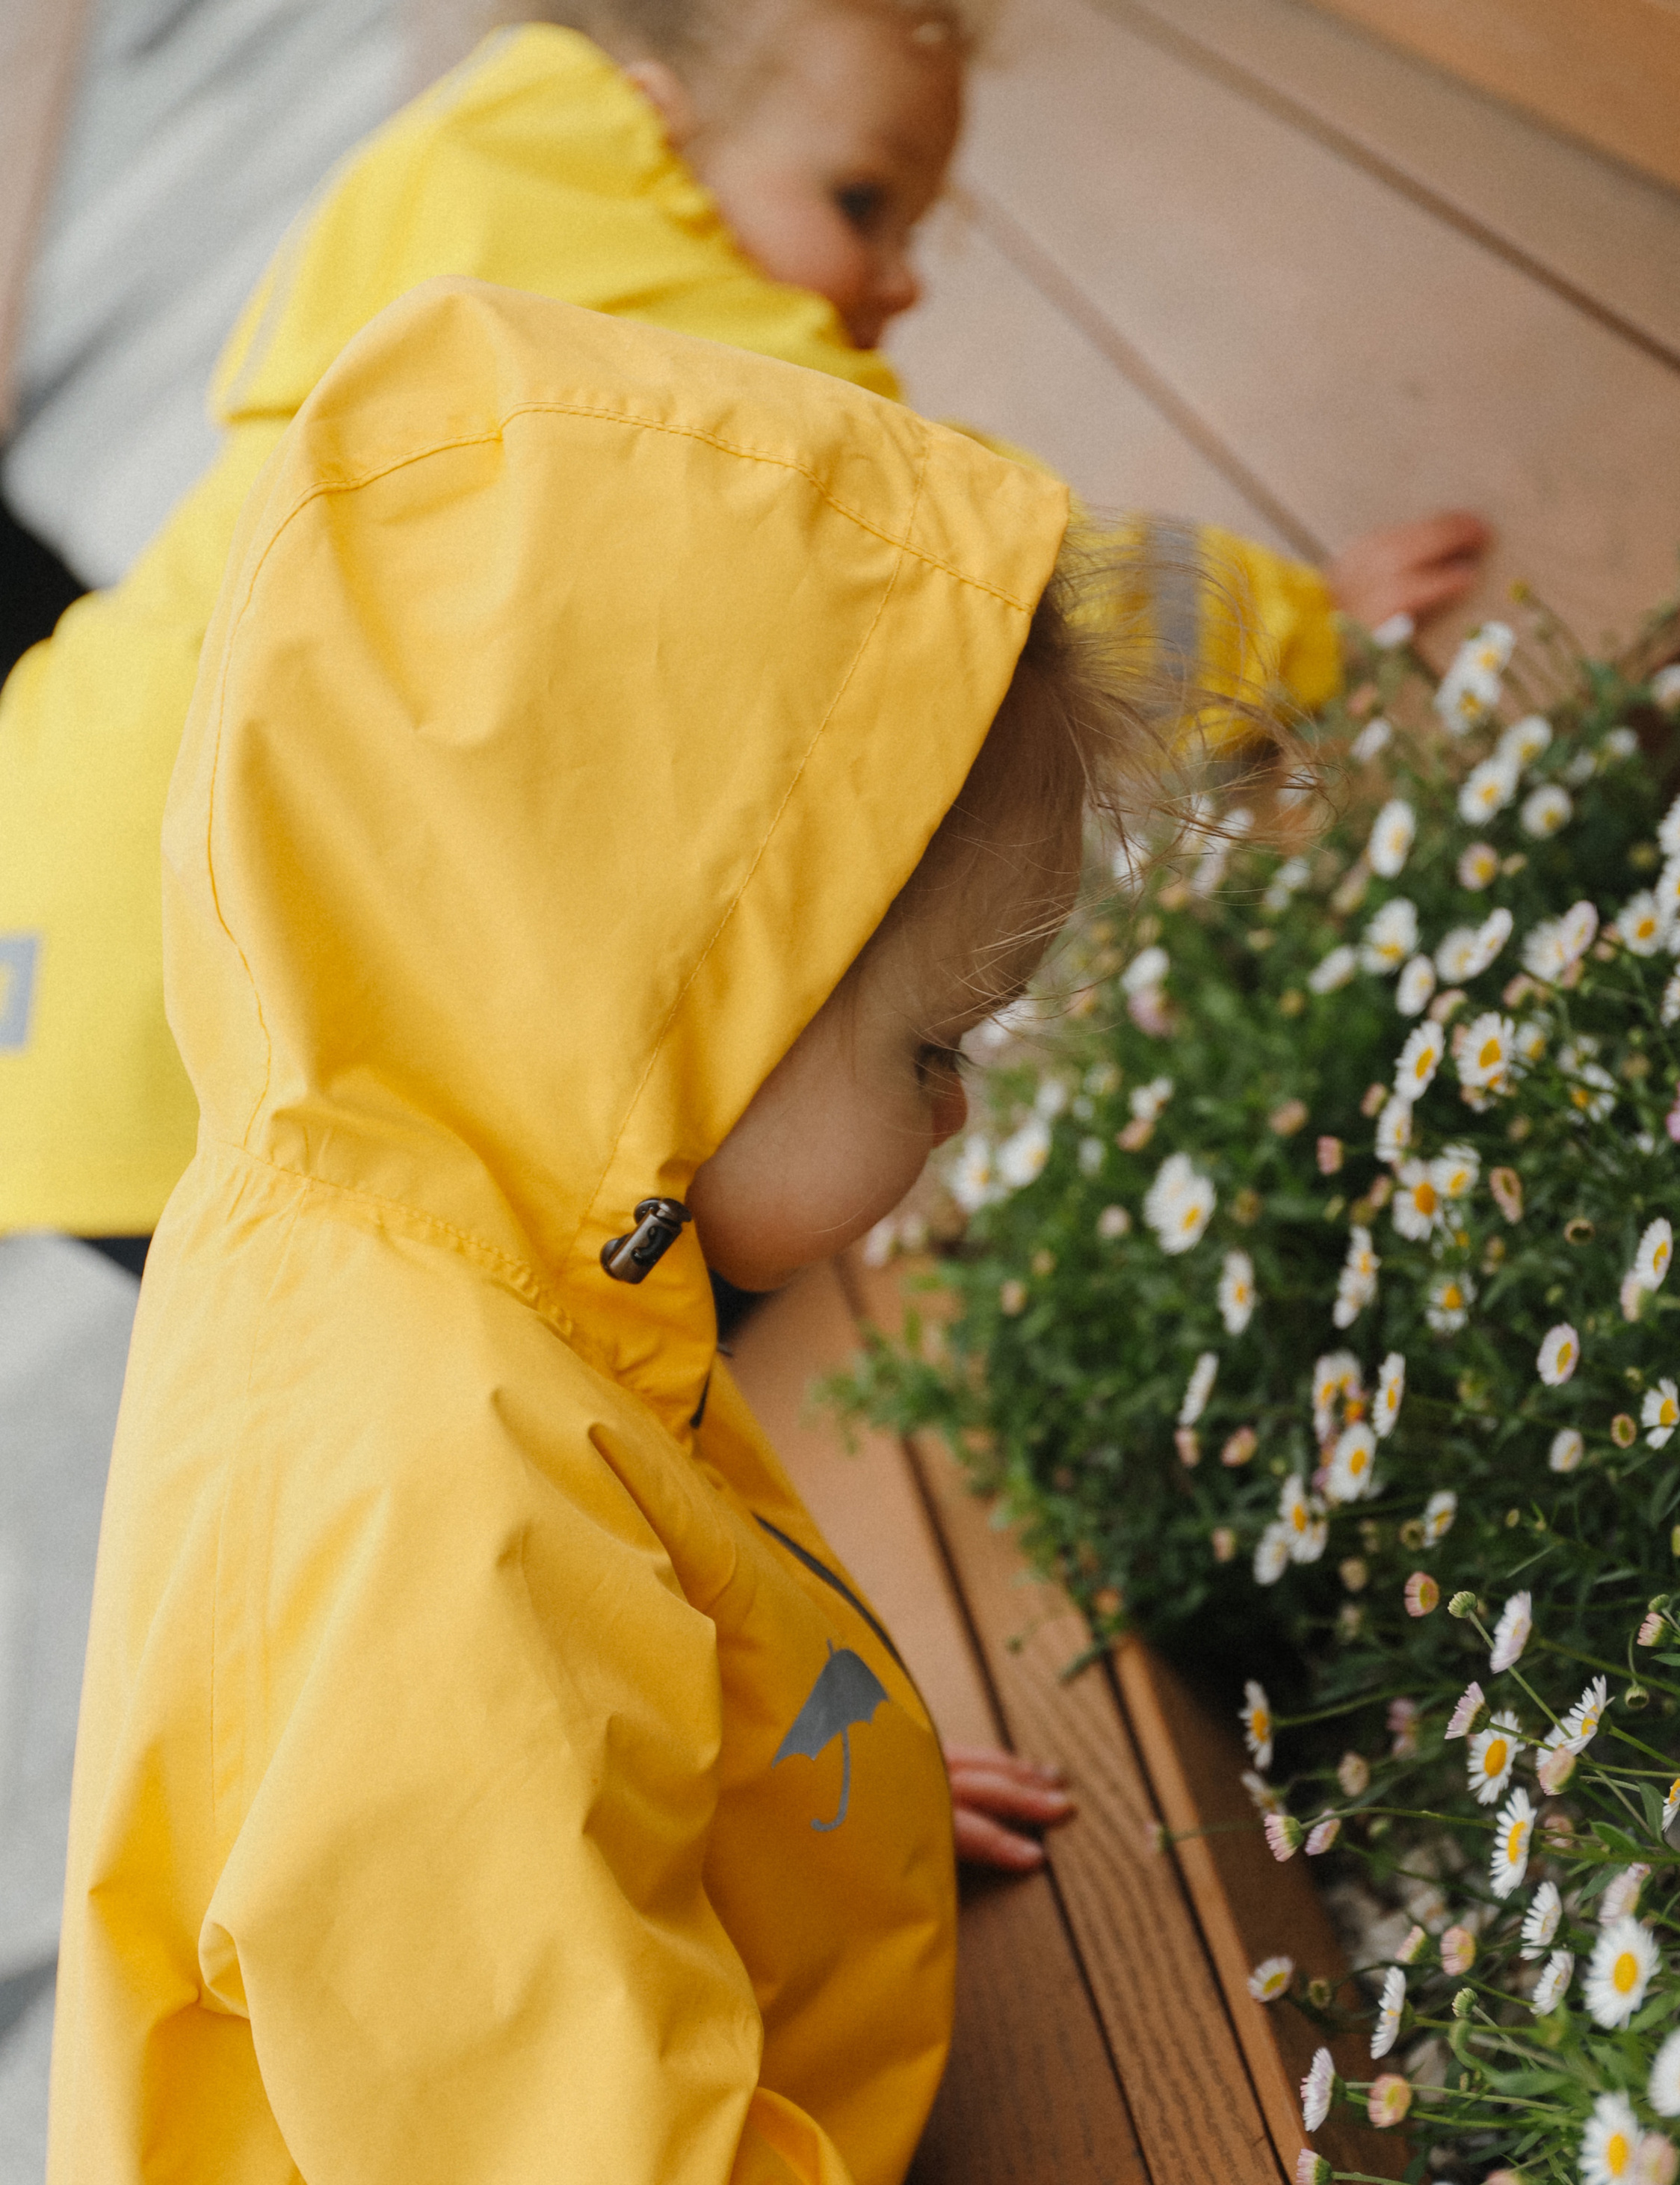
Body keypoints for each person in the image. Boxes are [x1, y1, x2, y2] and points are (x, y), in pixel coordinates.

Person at [40, 280, 1229, 2185]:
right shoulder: (418, 1488)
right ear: (669, 1003)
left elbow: (625, 1684)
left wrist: (828, 1791)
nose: (953, 1117)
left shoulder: (449, 1180)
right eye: (931, 1049)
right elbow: (493, 2080)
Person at [0, 0, 1485, 1258]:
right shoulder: (628, 307)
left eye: (915, 224)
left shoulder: (472, 205)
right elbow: (970, 568)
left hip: (61, 870)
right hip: (197, 982)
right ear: (660, 126)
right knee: (527, 1309)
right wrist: (1302, 629)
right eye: (857, 202)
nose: (896, 274)